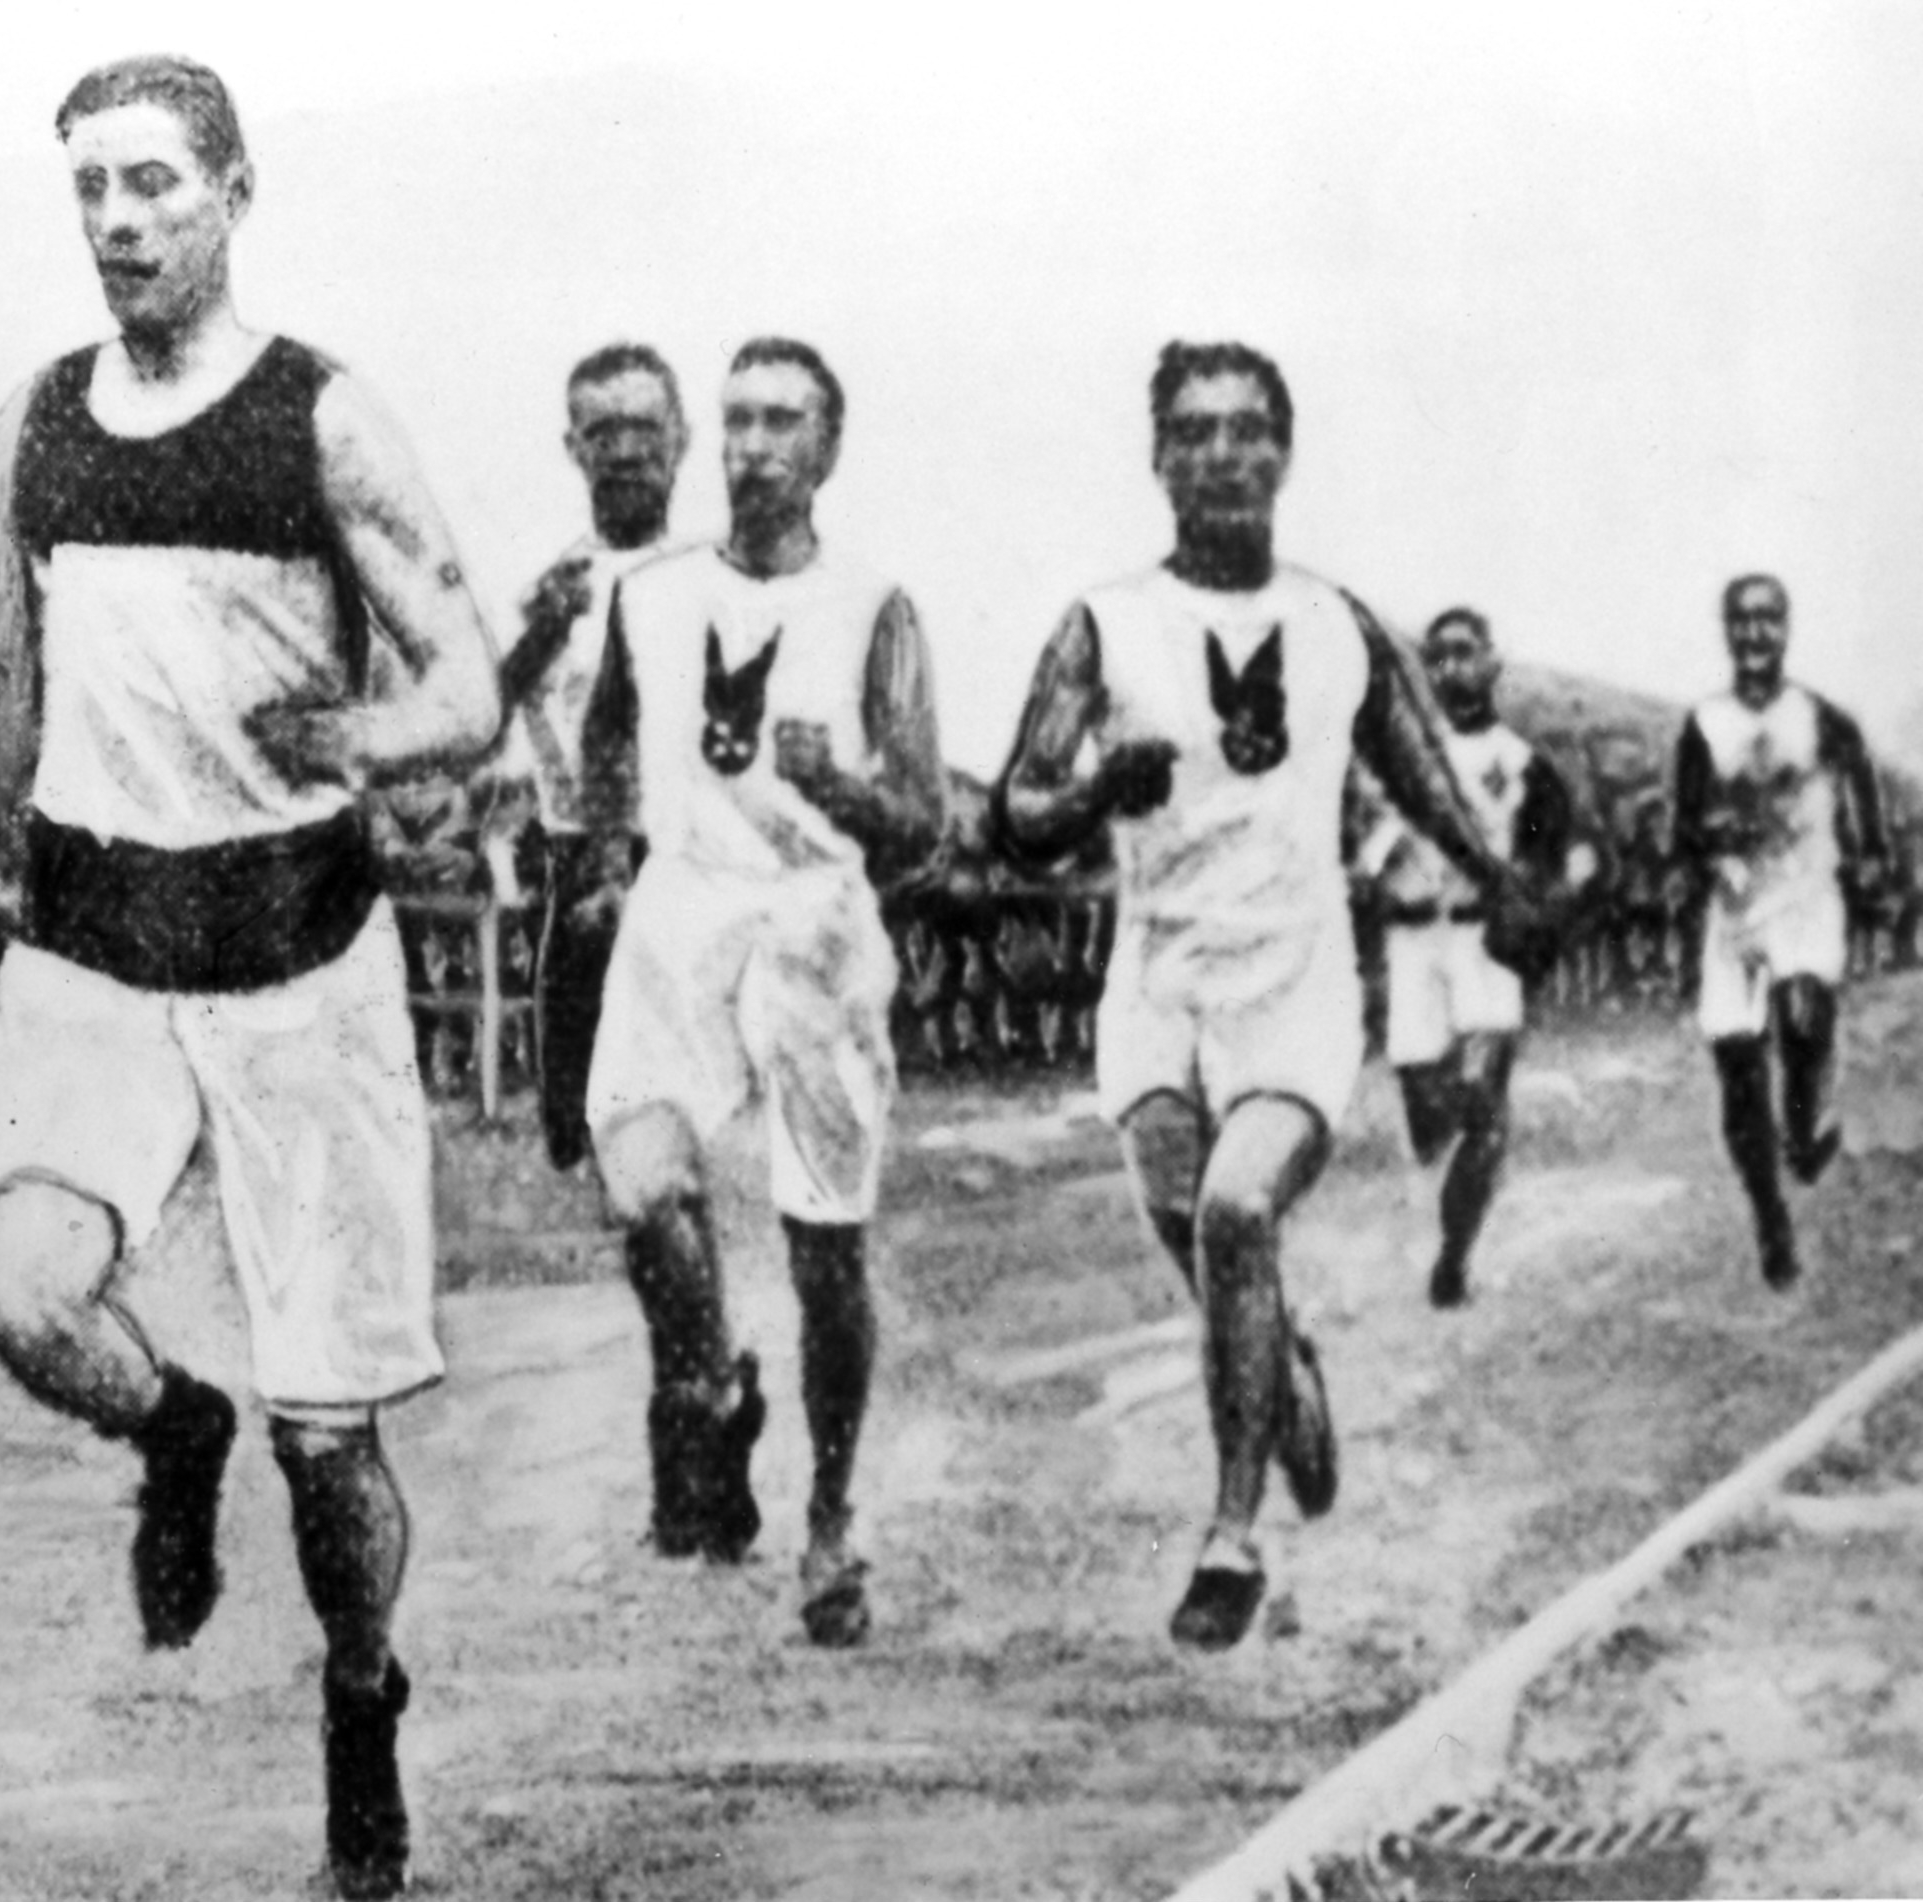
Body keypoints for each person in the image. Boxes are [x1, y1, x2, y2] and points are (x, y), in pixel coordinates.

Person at [0, 57, 500, 1900]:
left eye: (154, 182)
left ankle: (363, 1691)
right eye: (90, 189)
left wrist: (373, 733)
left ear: (232, 191)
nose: (119, 222)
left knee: (335, 1447)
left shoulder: (321, 419)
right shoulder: (35, 429)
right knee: (17, 1279)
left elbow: (467, 681)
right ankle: (174, 1426)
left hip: (292, 956)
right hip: (92, 945)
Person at [993, 340, 1560, 1651]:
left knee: (1241, 1214)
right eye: (1193, 432)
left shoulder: (1336, 623)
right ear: (1158, 459)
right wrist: (1088, 793)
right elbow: (1021, 804)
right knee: (1198, 1225)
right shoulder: (1105, 622)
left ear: (1285, 453)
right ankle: (1281, 1366)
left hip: (1294, 988)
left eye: (1249, 429)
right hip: (1158, 987)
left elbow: (1425, 771)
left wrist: (1499, 876)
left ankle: (1232, 1531)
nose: (1224, 454)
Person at [577, 337, 945, 1648]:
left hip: (813, 934)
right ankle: (709, 1383)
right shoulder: (655, 593)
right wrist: (602, 860)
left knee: (822, 1244)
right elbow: (607, 738)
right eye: (734, 418)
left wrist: (844, 790)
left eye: (783, 421)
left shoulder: (874, 606)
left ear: (828, 448)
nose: (752, 444)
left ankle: (833, 1518)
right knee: (642, 1184)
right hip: (684, 909)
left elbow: (924, 818)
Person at [496, 343, 692, 1169]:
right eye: (602, 430)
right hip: (576, 860)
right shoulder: (553, 585)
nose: (624, 450)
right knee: (572, 1120)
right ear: (573, 446)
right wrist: (544, 630)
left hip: (689, 859)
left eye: (643, 427)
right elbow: (484, 710)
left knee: (685, 1100)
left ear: (679, 438)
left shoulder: (710, 576)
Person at [1672, 574, 1888, 1291]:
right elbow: (1685, 824)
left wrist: (1870, 857)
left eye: (1768, 620)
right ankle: (1770, 1219)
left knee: (1801, 1019)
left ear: (1786, 629)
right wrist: (1710, 841)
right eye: (1742, 620)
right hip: (1736, 910)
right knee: (1738, 1076)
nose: (1755, 634)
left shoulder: (1820, 717)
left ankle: (1804, 1126)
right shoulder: (1705, 723)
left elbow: (1861, 788)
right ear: (1727, 630)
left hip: (1804, 897)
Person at [1364, 608, 1584, 1308]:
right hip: (1413, 943)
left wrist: (1541, 906)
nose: (1451, 668)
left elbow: (1554, 859)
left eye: (1465, 653)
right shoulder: (1400, 762)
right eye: (1438, 657)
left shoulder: (1523, 765)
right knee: (1429, 1120)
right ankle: (1462, 1129)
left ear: (1493, 662)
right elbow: (1364, 845)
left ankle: (1453, 1257)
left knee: (1483, 1104)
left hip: (1483, 946)